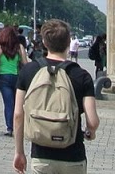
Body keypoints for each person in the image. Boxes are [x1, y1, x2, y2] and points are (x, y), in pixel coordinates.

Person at [13, 19, 98, 174]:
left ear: (44, 42)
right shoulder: (82, 76)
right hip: (73, 156)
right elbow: (92, 122)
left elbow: (18, 115)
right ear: (69, 42)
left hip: (41, 156)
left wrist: (19, 152)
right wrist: (90, 132)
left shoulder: (28, 71)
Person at [0, 24, 26, 137]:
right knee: (17, 103)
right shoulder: (19, 47)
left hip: (3, 77)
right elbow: (25, 63)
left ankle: (10, 128)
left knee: (8, 103)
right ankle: (18, 126)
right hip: (16, 77)